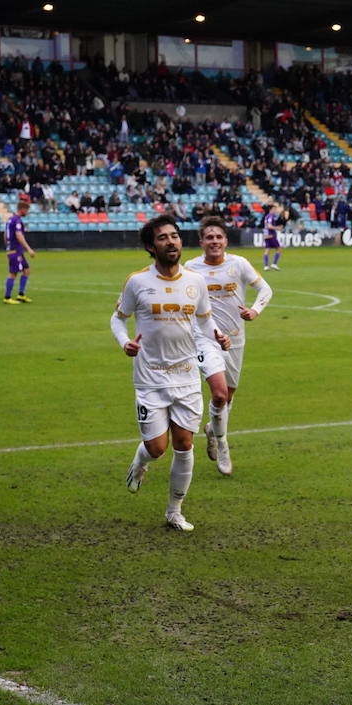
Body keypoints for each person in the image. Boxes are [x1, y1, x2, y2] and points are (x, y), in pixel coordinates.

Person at [110, 215, 231, 531]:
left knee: (183, 444)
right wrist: (125, 343)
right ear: (152, 246)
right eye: (163, 237)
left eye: (175, 236)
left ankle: (174, 511)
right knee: (156, 448)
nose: (171, 241)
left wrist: (218, 334)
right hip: (150, 377)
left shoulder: (195, 282)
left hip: (188, 376)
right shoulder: (137, 282)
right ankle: (140, 463)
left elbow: (205, 322)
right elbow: (118, 319)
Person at [184, 216, 273, 477]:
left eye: (218, 237)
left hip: (235, 339)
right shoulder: (191, 268)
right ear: (201, 241)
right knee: (219, 394)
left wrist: (255, 310)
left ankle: (213, 429)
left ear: (225, 241)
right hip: (204, 339)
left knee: (227, 397)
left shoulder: (238, 264)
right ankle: (223, 445)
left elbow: (265, 289)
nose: (214, 241)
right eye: (209, 237)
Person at [2, 201, 36, 305]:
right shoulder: (17, 221)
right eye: (27, 210)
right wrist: (28, 249)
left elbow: (5, 234)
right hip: (15, 250)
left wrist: (7, 246)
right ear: (22, 209)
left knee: (27, 270)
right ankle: (7, 297)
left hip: (15, 250)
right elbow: (19, 235)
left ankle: (21, 295)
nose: (27, 212)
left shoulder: (10, 220)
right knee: (13, 273)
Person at [262, 205, 283, 270]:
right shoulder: (271, 216)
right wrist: (278, 228)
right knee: (279, 249)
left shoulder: (267, 216)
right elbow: (269, 226)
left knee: (267, 249)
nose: (275, 211)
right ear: (271, 209)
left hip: (266, 235)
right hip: (271, 235)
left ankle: (266, 266)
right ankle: (274, 264)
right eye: (274, 209)